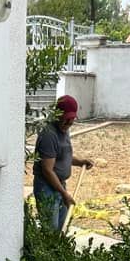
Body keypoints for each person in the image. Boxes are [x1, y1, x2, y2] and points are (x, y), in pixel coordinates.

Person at [33, 95, 93, 232]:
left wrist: (80, 162)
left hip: (59, 186)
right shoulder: (49, 135)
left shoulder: (64, 130)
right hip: (47, 188)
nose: (68, 123)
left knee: (61, 228)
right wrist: (64, 194)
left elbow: (62, 156)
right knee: (51, 231)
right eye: (66, 119)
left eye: (71, 119)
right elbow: (47, 170)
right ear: (57, 115)